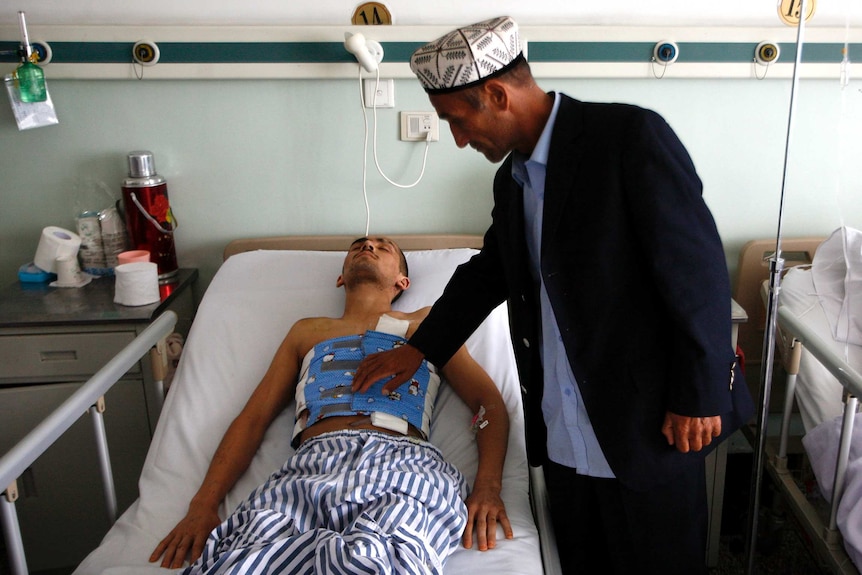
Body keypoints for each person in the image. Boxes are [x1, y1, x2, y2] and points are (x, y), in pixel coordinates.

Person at [352, 16, 755, 575]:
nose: (460, 139)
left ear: (497, 94)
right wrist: (418, 349)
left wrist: (700, 391)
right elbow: (491, 271)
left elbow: (698, 271)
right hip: (565, 434)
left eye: (458, 120)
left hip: (647, 424)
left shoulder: (627, 139)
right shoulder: (511, 181)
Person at [149, 236, 513, 574]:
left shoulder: (428, 324)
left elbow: (488, 404)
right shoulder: (307, 332)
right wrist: (204, 505)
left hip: (402, 466)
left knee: (383, 557)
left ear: (402, 281)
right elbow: (253, 419)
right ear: (341, 279)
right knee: (245, 558)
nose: (368, 244)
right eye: (359, 244)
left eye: (383, 247)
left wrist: (487, 486)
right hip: (310, 468)